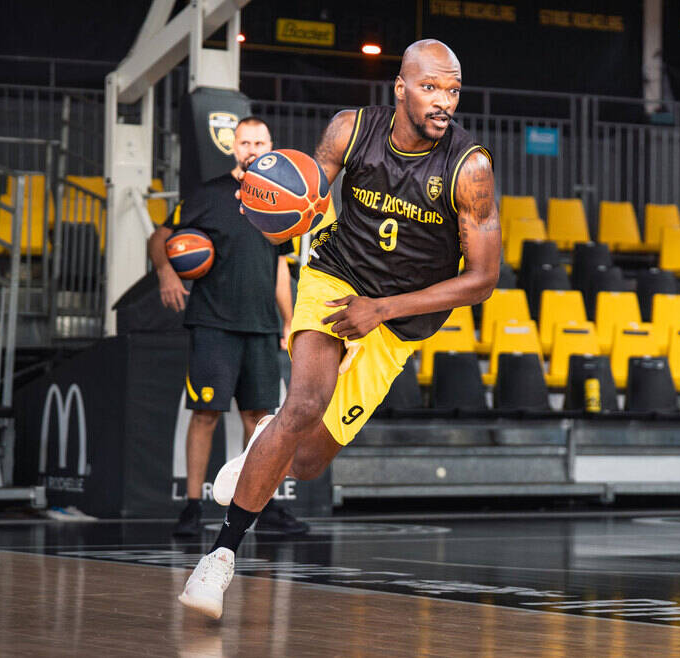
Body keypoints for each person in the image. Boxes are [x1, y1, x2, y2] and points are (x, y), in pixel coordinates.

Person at [178, 39, 501, 619]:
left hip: (401, 318)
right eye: (431, 87)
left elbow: (481, 279)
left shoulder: (468, 167)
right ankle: (220, 557)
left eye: (453, 91)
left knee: (305, 462)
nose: (443, 101)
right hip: (334, 278)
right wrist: (273, 208)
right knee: (303, 404)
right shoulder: (350, 130)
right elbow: (307, 197)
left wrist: (383, 310)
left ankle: (259, 446)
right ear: (400, 87)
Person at [147, 116, 309, 538]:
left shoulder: (278, 200)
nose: (252, 148)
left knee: (260, 421)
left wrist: (289, 320)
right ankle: (191, 507)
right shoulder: (207, 195)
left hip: (260, 325)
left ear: (271, 145)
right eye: (245, 142)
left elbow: (278, 267)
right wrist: (166, 271)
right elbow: (159, 238)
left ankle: (264, 507)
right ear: (233, 148)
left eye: (260, 141)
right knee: (205, 415)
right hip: (214, 324)